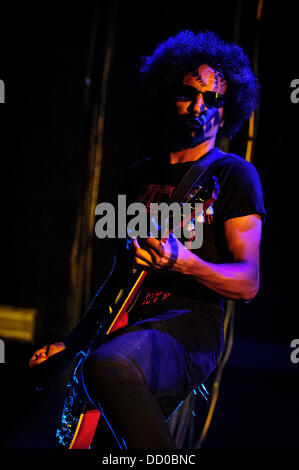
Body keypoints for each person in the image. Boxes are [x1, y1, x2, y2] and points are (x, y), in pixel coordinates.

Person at [29, 30, 266, 449]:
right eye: (188, 94)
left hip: (187, 329)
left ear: (226, 112)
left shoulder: (232, 175)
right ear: (167, 94)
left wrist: (185, 262)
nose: (198, 107)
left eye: (212, 100)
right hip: (125, 330)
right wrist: (72, 342)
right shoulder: (138, 176)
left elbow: (248, 283)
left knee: (107, 365)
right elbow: (118, 278)